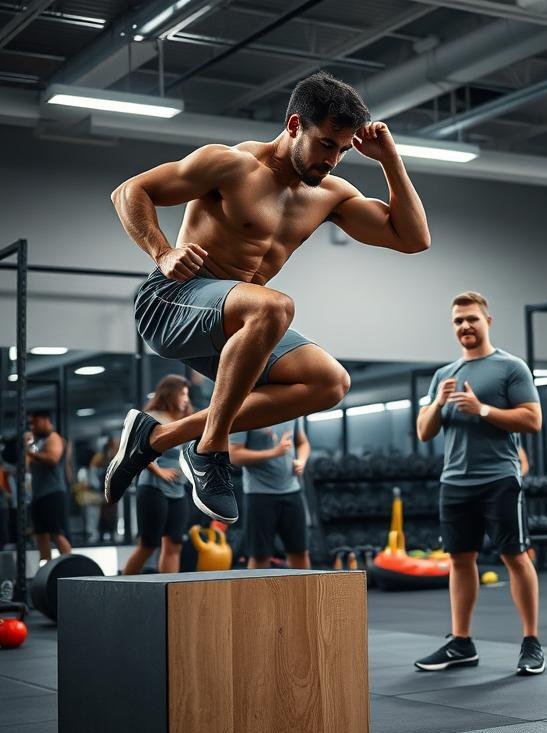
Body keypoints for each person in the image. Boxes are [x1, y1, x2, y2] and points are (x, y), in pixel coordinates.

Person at [105, 71, 430, 525]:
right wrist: (163, 252)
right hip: (172, 301)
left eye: (341, 148)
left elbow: (413, 239)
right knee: (273, 304)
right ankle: (210, 451)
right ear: (295, 125)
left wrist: (389, 160)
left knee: (329, 382)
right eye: (325, 144)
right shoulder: (230, 164)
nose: (333, 160)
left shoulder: (329, 194)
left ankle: (157, 438)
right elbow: (129, 191)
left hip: (238, 324)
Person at [414, 292, 544, 675]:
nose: (465, 326)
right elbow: (423, 432)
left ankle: (531, 642)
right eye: (458, 321)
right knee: (459, 559)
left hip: (499, 478)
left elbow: (533, 420)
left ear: (487, 320)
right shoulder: (444, 375)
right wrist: (438, 403)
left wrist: (482, 409)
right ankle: (461, 642)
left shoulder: (510, 368)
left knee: (514, 557)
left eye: (471, 318)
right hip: (454, 481)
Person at [123, 375, 193, 575]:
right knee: (149, 544)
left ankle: (170, 592)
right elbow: (138, 451)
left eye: (187, 394)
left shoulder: (184, 420)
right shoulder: (152, 417)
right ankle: (121, 589)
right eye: (182, 393)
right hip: (153, 488)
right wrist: (160, 471)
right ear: (170, 394)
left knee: (174, 544)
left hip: (178, 490)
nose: (186, 399)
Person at [229, 417, 311, 569]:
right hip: (259, 494)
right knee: (259, 556)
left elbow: (303, 443)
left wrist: (302, 461)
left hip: (292, 490)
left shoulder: (294, 408)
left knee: (300, 553)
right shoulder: (246, 413)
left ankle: (304, 594)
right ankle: (256, 594)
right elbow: (234, 455)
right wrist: (274, 452)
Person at [24, 411, 72, 560]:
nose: (32, 426)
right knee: (40, 535)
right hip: (38, 495)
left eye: (35, 422)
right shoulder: (37, 442)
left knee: (56, 534)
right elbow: (28, 468)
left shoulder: (54, 438)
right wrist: (28, 447)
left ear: (46, 420)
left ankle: (71, 569)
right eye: (30, 423)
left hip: (53, 494)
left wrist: (29, 451)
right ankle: (45, 574)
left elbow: (52, 458)